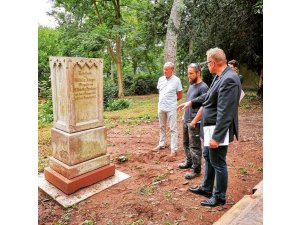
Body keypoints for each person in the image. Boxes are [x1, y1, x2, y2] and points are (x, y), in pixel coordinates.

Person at [177, 47, 241, 207]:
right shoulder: (221, 76)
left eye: (207, 62)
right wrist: (191, 102)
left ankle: (219, 196)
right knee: (208, 156)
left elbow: (225, 112)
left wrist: (217, 137)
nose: (207, 65)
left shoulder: (229, 79)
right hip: (209, 127)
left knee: (218, 162)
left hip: (217, 130)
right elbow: (209, 95)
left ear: (212, 63)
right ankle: (206, 187)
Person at [178, 63, 208, 179]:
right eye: (188, 73)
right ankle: (189, 162)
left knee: (195, 146)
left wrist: (195, 120)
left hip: (195, 122)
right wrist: (184, 116)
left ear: (198, 73)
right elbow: (189, 101)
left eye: (191, 73)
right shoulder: (191, 85)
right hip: (187, 119)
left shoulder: (203, 87)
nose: (188, 76)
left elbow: (204, 106)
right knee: (186, 143)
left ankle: (196, 169)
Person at [153, 62, 183, 158]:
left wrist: (172, 101)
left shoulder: (177, 80)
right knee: (162, 126)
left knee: (173, 128)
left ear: (172, 70)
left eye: (167, 69)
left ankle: (174, 149)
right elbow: (160, 92)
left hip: (171, 108)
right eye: (164, 69)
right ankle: (162, 144)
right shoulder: (161, 79)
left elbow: (180, 95)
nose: (164, 71)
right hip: (161, 107)